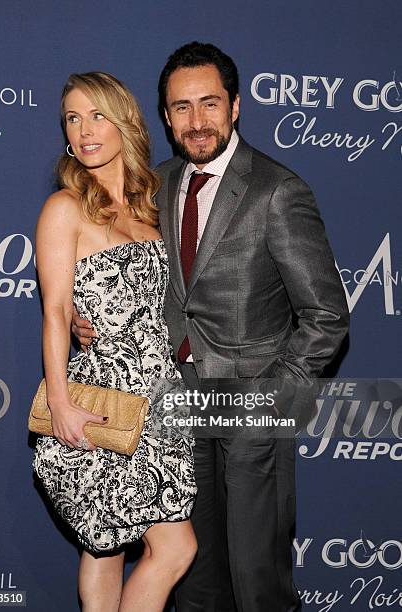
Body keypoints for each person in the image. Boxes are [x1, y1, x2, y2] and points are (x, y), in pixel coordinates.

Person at [73, 43, 350, 612]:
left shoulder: (277, 190)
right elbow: (135, 276)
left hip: (252, 403)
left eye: (209, 104)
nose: (197, 122)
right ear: (166, 117)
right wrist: (91, 319)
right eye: (181, 108)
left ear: (236, 107)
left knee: (257, 577)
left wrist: (273, 396)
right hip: (173, 408)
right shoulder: (156, 184)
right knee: (196, 579)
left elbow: (326, 315)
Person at [32, 71, 197, 612]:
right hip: (104, 393)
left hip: (162, 396)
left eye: (96, 115)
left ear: (124, 121)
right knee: (118, 542)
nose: (84, 131)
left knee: (145, 546)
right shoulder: (63, 208)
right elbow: (56, 314)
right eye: (72, 120)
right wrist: (60, 404)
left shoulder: (152, 206)